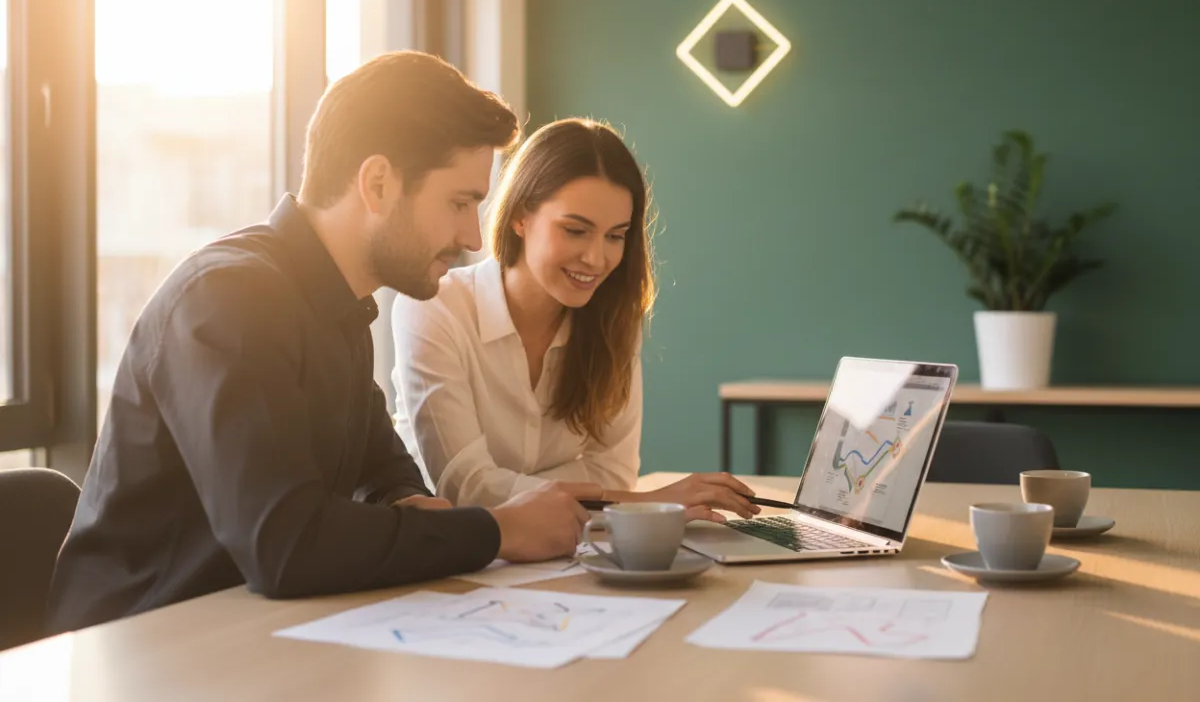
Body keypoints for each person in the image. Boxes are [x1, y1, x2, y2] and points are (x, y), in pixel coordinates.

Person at [47, 52, 590, 634]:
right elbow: (284, 542)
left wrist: (405, 500)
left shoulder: (339, 306)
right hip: (136, 647)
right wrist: (498, 530)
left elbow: (381, 465)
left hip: (249, 633)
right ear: (377, 184)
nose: (471, 237)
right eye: (460, 202)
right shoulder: (228, 299)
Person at [391, 118, 760, 520]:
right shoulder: (435, 308)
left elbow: (613, 474)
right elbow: (466, 489)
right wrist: (653, 503)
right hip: (454, 551)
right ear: (520, 217)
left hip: (568, 547)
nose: (596, 259)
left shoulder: (614, 320)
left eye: (615, 236)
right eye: (575, 230)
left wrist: (534, 491)